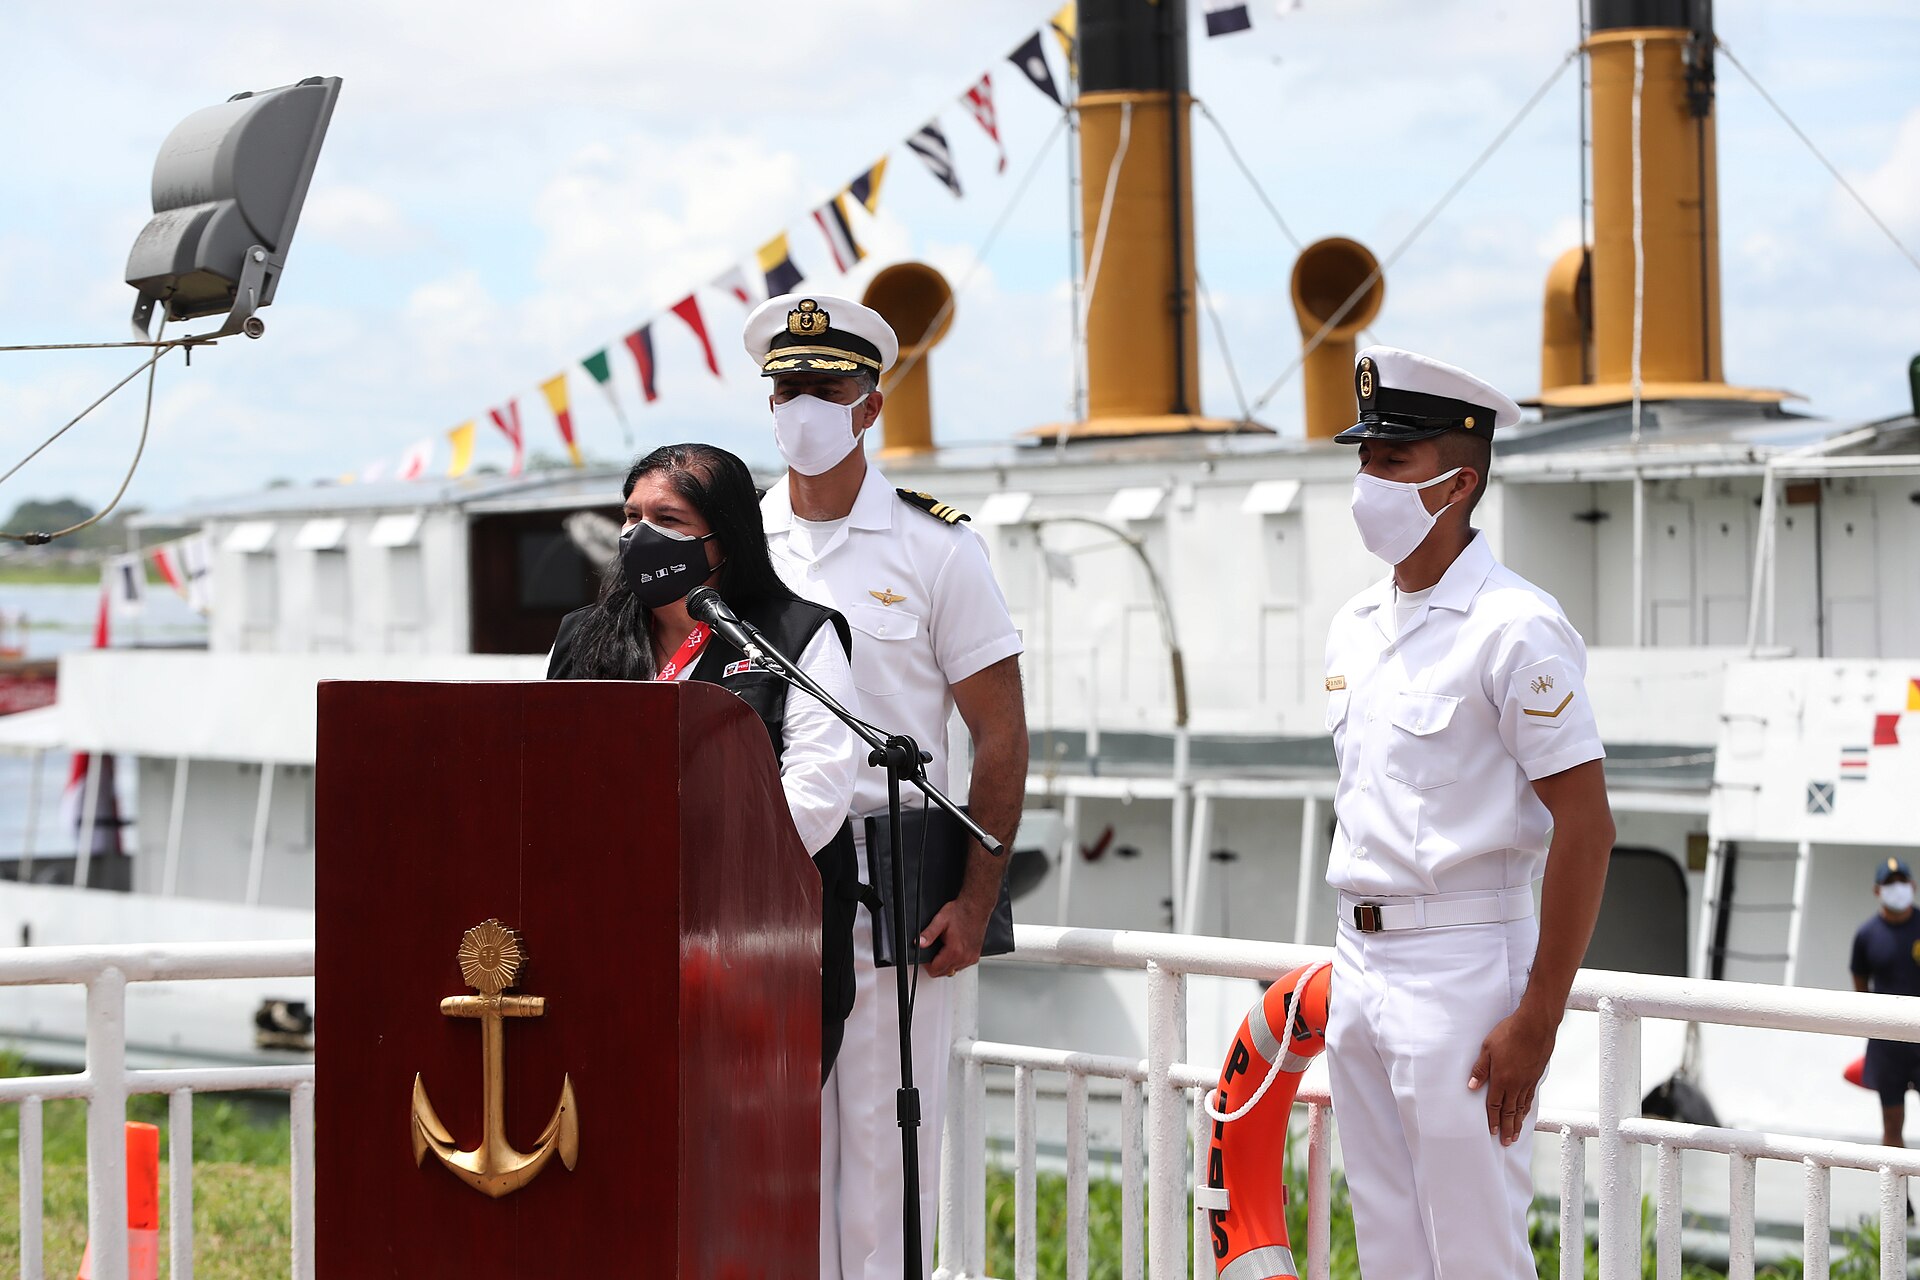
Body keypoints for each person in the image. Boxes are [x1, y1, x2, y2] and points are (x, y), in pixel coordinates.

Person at [743, 292, 1028, 1280]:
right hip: (762, 885)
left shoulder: (936, 548)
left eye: (825, 386)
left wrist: (977, 898)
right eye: (788, 386)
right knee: (765, 1153)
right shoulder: (738, 549)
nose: (803, 406)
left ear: (870, 404)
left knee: (880, 1171)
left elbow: (999, 736)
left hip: (888, 892)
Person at [1322, 346, 1616, 1279]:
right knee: (1390, 1251)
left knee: (1477, 1253)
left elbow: (1588, 824)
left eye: (1393, 463)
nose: (1368, 481)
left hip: (1463, 971)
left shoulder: (1514, 626)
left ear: (1457, 483)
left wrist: (1541, 1013)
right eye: (1364, 458)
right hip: (1359, 963)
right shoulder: (1357, 625)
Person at [546, 442, 862, 1079]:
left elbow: (818, 789)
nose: (640, 535)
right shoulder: (584, 637)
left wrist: (699, 871)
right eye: (631, 516)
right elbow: (551, 775)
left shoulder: (793, 634)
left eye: (669, 521)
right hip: (612, 935)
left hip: (753, 946)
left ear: (724, 537)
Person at [1850, 858, 1920, 1159]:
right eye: (1889, 883)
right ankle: (1899, 1205)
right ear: (1877, 890)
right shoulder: (1866, 935)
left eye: (1901, 882)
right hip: (1887, 1044)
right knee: (1892, 1124)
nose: (1897, 889)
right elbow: (1860, 985)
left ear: (1913, 886)